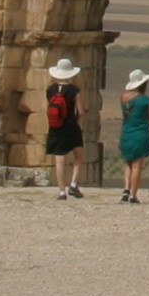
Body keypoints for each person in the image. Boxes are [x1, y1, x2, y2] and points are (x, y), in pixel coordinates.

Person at [44, 58, 86, 197]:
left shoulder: (50, 90)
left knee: (59, 159)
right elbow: (80, 112)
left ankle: (62, 191)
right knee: (79, 156)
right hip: (71, 126)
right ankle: (73, 184)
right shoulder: (74, 90)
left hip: (55, 127)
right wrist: (79, 124)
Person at [116, 70, 149, 203]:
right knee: (137, 166)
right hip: (140, 134)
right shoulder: (146, 100)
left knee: (128, 163)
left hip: (126, 133)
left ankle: (126, 189)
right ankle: (133, 195)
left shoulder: (122, 96)